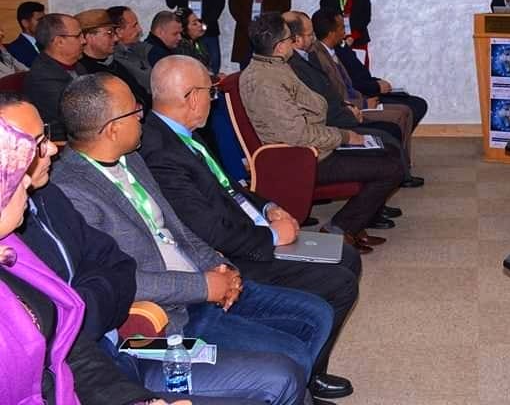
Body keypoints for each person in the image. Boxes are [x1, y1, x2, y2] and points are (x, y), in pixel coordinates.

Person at [51, 73, 338, 405]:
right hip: (166, 318)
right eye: (135, 110)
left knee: (317, 315)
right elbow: (120, 281)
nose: (143, 116)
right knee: (290, 359)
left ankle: (298, 394)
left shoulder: (131, 158)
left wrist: (222, 269)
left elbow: (178, 230)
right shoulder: (72, 192)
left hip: (204, 283)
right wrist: (204, 286)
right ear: (113, 128)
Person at [1, 94, 298, 404]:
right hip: (142, 333)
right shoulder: (61, 194)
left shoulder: (51, 197)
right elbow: (70, 323)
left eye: (46, 136)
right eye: (36, 143)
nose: (52, 147)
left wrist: (220, 269)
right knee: (282, 371)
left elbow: (125, 262)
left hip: (115, 350)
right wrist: (201, 286)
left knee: (309, 327)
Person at [139, 55, 359, 400]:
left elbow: (228, 185)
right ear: (191, 97)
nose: (213, 100)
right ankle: (308, 377)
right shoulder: (160, 151)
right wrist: (271, 236)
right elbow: (207, 229)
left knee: (346, 257)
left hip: (248, 228)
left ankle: (311, 369)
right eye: (210, 93)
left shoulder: (183, 133)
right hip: (234, 252)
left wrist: (269, 207)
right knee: (340, 283)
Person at [0, 116, 201, 405]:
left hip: (104, 371)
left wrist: (138, 402)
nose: (28, 181)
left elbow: (70, 350)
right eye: (16, 174)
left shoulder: (12, 252)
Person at [239, 13, 404, 252]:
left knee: (386, 149)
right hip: (304, 157)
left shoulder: (274, 66)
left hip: (316, 145)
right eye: (290, 38)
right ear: (279, 46)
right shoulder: (266, 81)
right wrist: (345, 136)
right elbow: (297, 135)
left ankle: (354, 225)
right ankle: (339, 228)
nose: (294, 42)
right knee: (392, 168)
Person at [284, 10, 418, 200]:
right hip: (330, 128)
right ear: (296, 39)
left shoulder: (309, 56)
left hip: (341, 113)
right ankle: (378, 198)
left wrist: (350, 106)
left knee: (392, 132)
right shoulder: (295, 65)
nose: (313, 38)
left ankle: (382, 196)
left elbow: (332, 92)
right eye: (310, 34)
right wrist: (353, 111)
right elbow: (318, 107)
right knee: (387, 139)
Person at [24, 13, 87, 141]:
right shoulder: (42, 77)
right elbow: (77, 116)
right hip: (66, 141)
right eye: (78, 36)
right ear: (59, 42)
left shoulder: (78, 66)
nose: (84, 41)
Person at [76, 9, 152, 111]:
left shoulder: (115, 64)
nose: (116, 38)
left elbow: (141, 94)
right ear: (89, 37)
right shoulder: (83, 72)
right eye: (109, 33)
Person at [108, 6, 153, 93]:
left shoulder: (134, 48)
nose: (140, 29)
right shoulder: (115, 60)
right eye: (134, 25)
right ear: (119, 32)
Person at [174, 7, 216, 75]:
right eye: (194, 24)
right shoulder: (182, 47)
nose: (200, 25)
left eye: (199, 21)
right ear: (183, 29)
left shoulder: (197, 42)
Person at [6, 0, 44, 67]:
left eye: (44, 19)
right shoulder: (14, 49)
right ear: (25, 23)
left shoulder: (48, 43)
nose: (44, 23)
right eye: (39, 20)